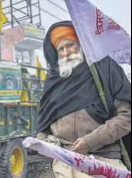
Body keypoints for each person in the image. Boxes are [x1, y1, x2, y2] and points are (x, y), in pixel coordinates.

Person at [37, 21, 131, 178]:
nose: (67, 52)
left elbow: (127, 117)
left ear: (80, 43)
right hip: (65, 164)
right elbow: (44, 121)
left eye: (70, 44)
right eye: (61, 48)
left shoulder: (104, 69)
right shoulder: (53, 80)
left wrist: (90, 141)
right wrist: (45, 142)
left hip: (104, 162)